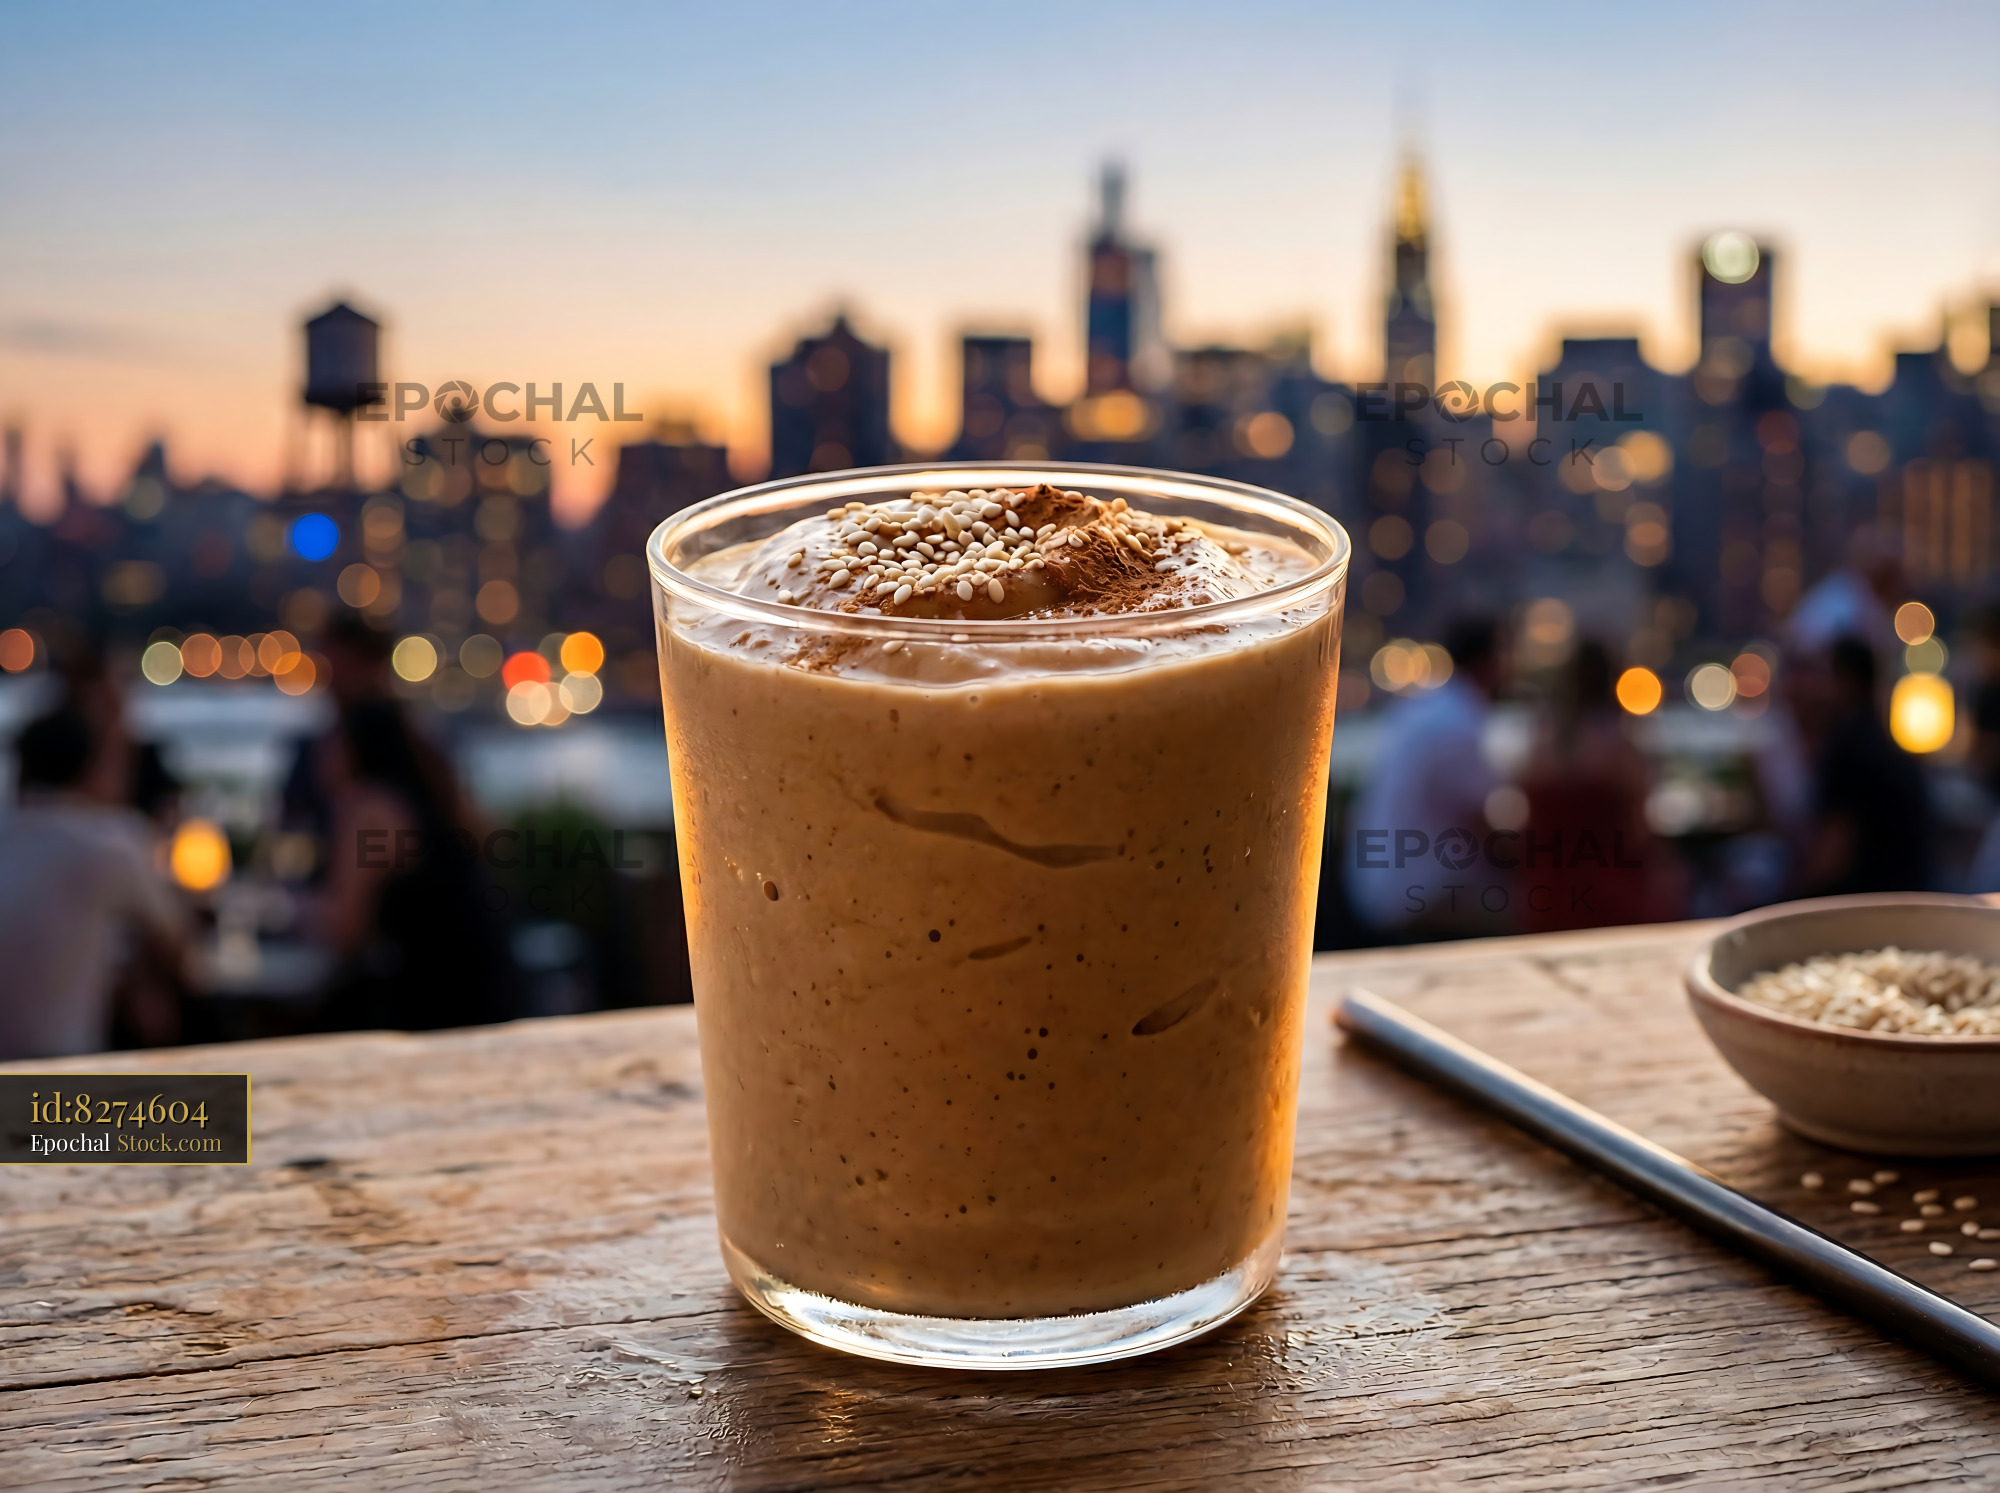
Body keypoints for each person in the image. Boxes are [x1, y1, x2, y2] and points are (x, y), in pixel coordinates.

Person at [313, 698, 522, 1031]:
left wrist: (289, 910)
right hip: (484, 983)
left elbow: (345, 928)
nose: (322, 751)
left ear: (355, 746)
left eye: (332, 740)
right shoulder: (434, 798)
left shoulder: (372, 808)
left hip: (430, 999)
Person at [0, 708, 185, 1059]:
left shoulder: (7, 831)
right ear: (93, 768)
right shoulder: (110, 842)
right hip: (61, 1081)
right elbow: (183, 954)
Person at [1342, 617, 1506, 939]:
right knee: (1527, 912)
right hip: (1408, 895)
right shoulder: (1460, 721)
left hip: (1366, 885)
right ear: (1489, 662)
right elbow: (1482, 824)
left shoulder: (1427, 706)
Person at [1515, 640, 1683, 932]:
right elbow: (1639, 834)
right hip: (1612, 897)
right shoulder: (1619, 748)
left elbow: (1526, 825)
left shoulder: (1541, 744)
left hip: (1547, 897)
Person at [1797, 635, 1930, 895]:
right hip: (1908, 896)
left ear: (1845, 681)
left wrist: (1782, 902)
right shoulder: (1881, 740)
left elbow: (1832, 858)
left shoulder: (1847, 746)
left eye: (1822, 676)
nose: (1811, 687)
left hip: (1863, 907)